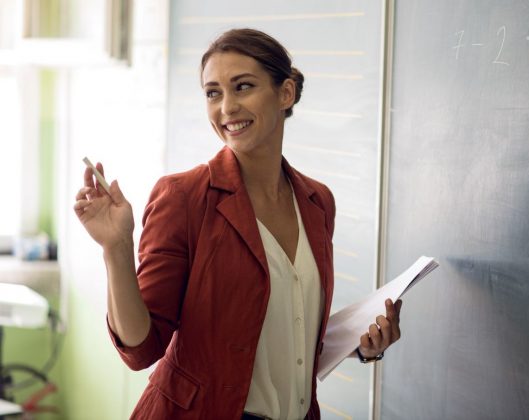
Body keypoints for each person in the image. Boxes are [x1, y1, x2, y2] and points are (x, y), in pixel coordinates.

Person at [73, 28, 402, 420]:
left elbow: (284, 331)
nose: (226, 107)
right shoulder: (184, 197)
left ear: (286, 93)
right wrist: (117, 249)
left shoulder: (317, 203)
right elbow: (141, 348)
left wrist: (363, 343)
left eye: (242, 87)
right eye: (213, 93)